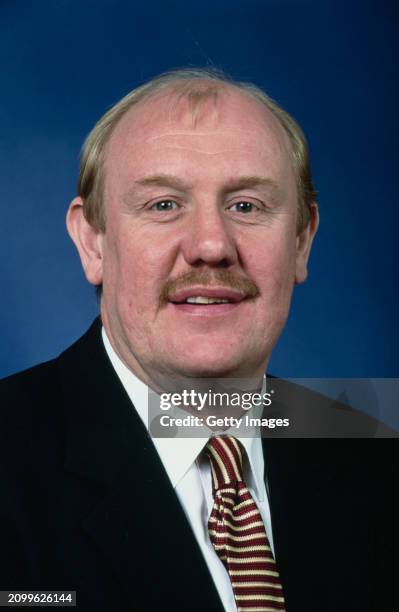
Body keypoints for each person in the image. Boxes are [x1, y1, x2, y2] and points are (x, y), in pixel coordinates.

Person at [0, 68, 397, 612]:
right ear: (92, 242)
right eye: (164, 205)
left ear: (302, 240)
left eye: (247, 206)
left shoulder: (375, 453)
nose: (211, 245)